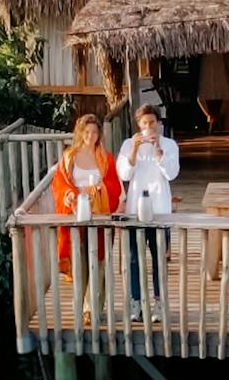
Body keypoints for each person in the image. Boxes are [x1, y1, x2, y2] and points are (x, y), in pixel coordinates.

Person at [116, 104, 179, 322]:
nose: (149, 127)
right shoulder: (128, 144)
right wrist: (134, 150)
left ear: (158, 123)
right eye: (144, 123)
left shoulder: (169, 145)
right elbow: (123, 174)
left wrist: (159, 152)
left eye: (152, 122)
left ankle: (159, 304)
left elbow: (172, 174)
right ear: (139, 125)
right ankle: (136, 303)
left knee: (159, 259)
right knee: (134, 258)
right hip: (135, 209)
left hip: (160, 209)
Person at [51, 114, 121, 284]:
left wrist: (99, 190)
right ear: (81, 133)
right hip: (76, 213)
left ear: (99, 135)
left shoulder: (106, 158)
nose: (90, 136)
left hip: (99, 214)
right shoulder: (69, 157)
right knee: (79, 260)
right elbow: (60, 183)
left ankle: (93, 307)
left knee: (98, 261)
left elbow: (114, 185)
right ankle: (80, 304)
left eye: (94, 132)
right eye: (87, 132)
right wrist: (67, 194)